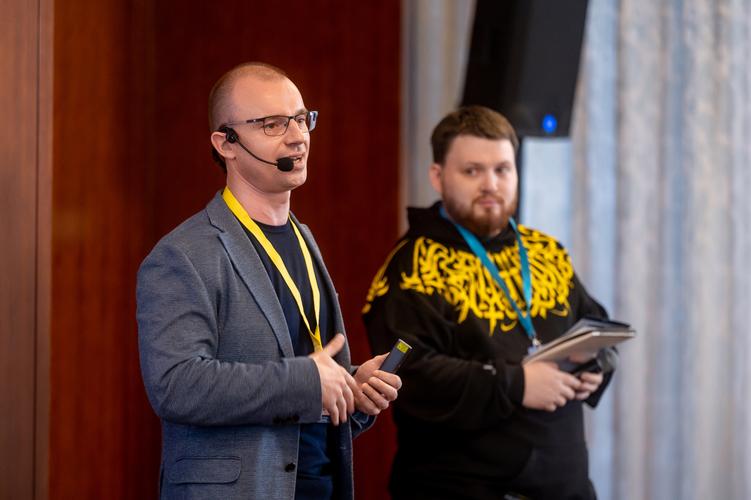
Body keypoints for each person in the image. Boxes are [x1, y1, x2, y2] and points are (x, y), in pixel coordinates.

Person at [137, 62, 401, 500]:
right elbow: (176, 385)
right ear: (226, 143)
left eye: (301, 119)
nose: (297, 137)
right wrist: (307, 382)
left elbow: (303, 373)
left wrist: (350, 388)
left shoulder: (304, 238)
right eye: (273, 124)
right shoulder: (183, 254)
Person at [363, 106, 614, 499]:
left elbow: (596, 325)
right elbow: (408, 373)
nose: (490, 184)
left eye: (502, 170)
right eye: (472, 171)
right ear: (438, 177)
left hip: (565, 486)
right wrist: (515, 384)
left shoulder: (545, 251)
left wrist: (596, 366)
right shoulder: (411, 266)